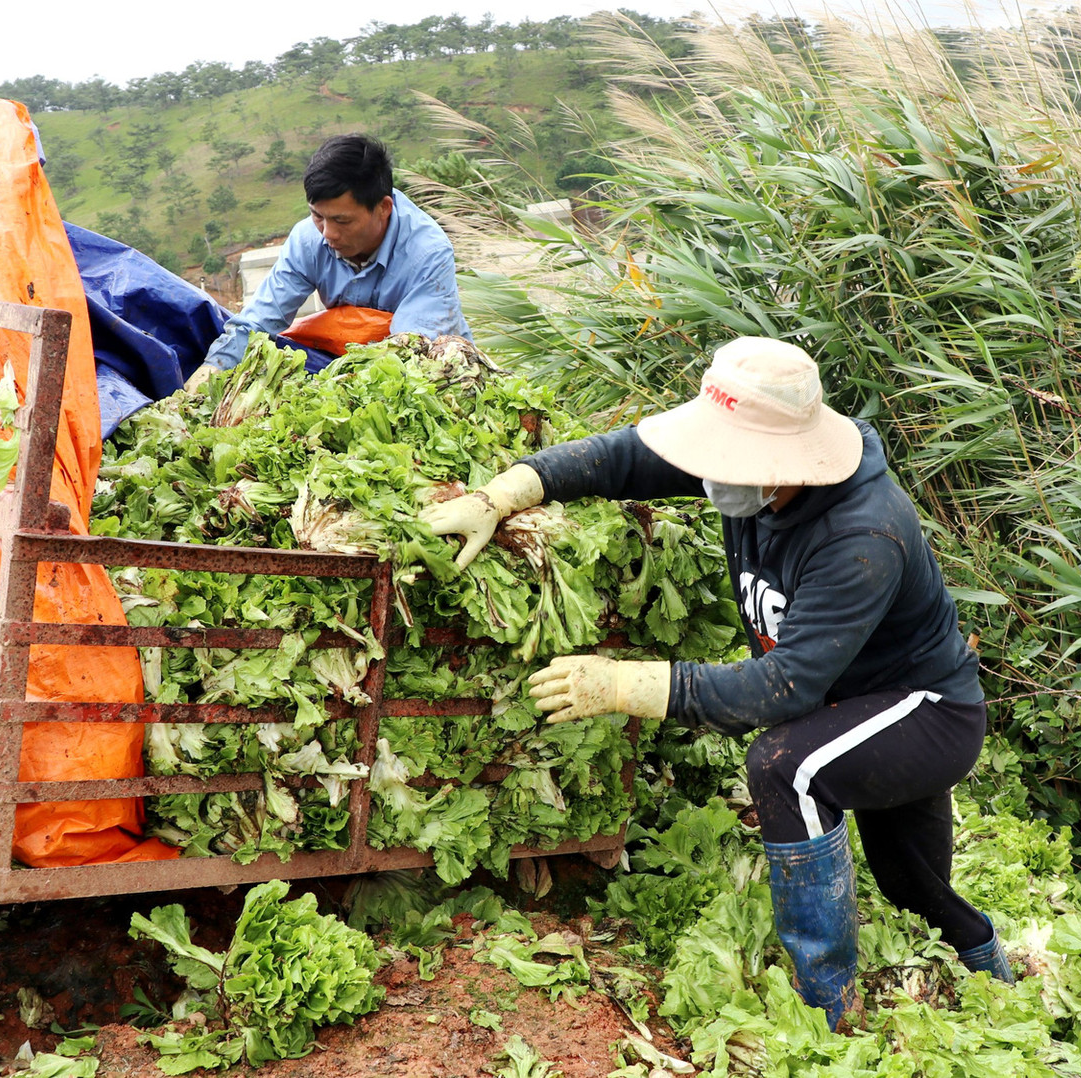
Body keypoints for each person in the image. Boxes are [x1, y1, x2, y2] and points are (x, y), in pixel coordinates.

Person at [420, 337, 1013, 1030]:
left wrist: (625, 686)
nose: (713, 473)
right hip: (847, 709)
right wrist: (504, 493)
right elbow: (622, 459)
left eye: (731, 458)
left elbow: (781, 689)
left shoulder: (861, 533)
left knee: (785, 766)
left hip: (924, 714)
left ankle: (827, 1008)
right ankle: (998, 988)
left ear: (786, 459)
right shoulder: (754, 481)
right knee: (915, 890)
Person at [183, 133, 469, 392]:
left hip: (433, 372)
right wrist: (214, 368)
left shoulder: (427, 253)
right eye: (318, 216)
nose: (328, 234)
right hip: (348, 359)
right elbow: (261, 319)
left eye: (342, 220)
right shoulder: (308, 240)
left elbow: (411, 352)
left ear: (383, 208)